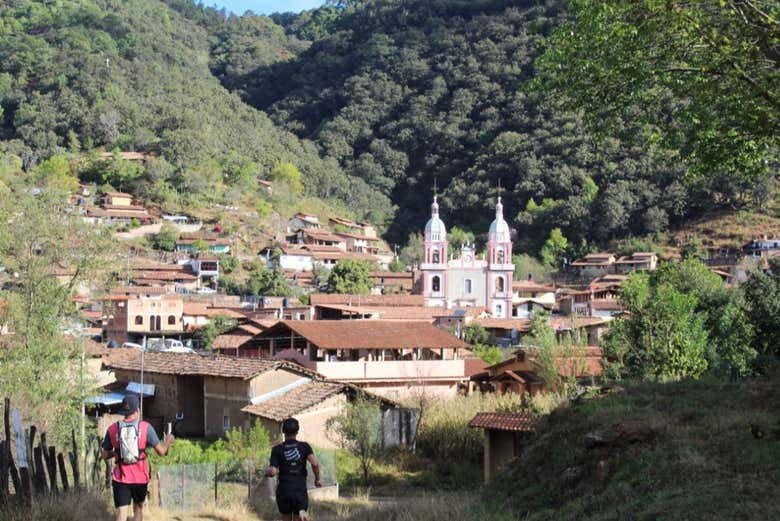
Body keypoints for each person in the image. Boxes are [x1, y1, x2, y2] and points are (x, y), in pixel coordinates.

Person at [101, 394, 174, 521]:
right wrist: (168, 441)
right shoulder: (146, 427)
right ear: (137, 410)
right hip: (140, 478)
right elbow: (161, 451)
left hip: (120, 478)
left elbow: (104, 454)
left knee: (120, 513)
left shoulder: (113, 429)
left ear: (123, 411)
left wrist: (116, 453)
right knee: (138, 509)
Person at [265, 418, 323, 521]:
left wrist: (266, 472)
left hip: (284, 490)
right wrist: (317, 479)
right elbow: (314, 463)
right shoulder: (304, 446)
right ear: (297, 431)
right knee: (298, 516)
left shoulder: (277, 449)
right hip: (299, 490)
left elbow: (273, 471)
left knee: (286, 517)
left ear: (283, 431)